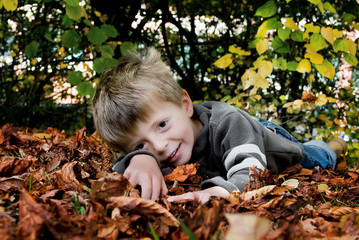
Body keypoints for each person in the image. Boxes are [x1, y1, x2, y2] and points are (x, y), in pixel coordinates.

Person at [92, 47, 347, 204]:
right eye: (141, 144)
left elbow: (251, 172)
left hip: (268, 141)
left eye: (162, 125)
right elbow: (121, 166)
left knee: (317, 159)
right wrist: (140, 159)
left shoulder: (227, 123)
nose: (158, 146)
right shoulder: (161, 146)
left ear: (185, 104)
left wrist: (224, 191)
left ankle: (334, 144)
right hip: (237, 133)